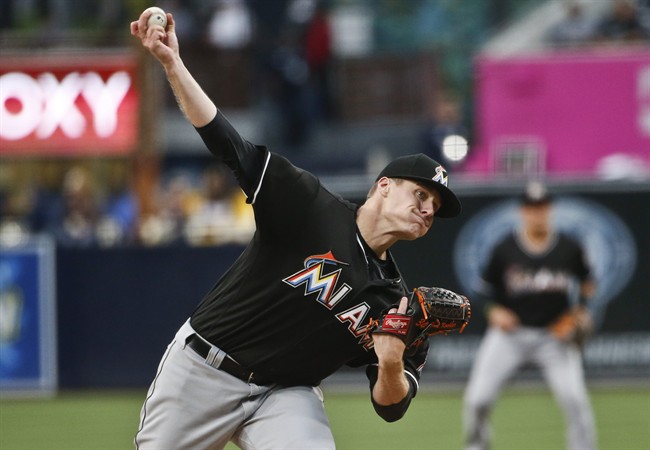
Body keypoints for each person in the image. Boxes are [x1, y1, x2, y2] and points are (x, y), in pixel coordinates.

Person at [130, 8, 462, 450]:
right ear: (383, 186)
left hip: (284, 393)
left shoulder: (396, 304)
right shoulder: (308, 204)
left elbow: (391, 407)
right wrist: (173, 64)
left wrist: (390, 363)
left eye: (434, 207)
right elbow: (227, 142)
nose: (426, 209)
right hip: (206, 368)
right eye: (420, 195)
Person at [463, 182, 597, 450]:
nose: (537, 213)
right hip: (510, 337)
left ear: (550, 209)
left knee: (576, 402)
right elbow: (483, 291)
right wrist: (494, 310)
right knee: (477, 400)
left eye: (542, 207)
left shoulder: (570, 248)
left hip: (554, 337)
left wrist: (580, 309)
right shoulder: (504, 248)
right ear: (522, 211)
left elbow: (587, 282)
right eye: (532, 208)